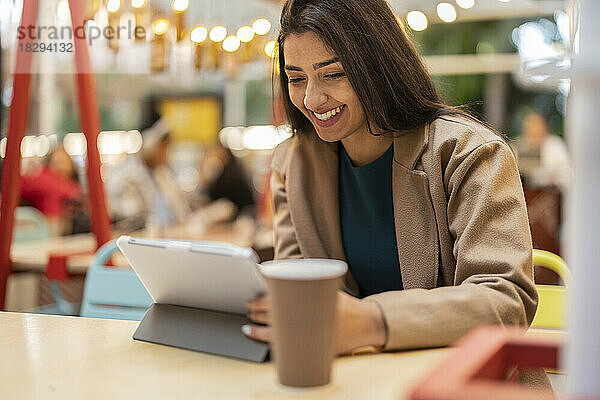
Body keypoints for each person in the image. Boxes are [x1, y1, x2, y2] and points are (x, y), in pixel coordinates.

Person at [244, 0, 537, 356]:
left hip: (455, 381)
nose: (312, 98)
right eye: (296, 78)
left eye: (333, 74)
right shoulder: (295, 162)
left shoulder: (469, 152)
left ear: (377, 65)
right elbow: (296, 287)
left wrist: (372, 321)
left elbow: (507, 301)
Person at [20, 145, 82, 236]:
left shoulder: (70, 183)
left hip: (66, 224)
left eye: (63, 161)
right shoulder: (45, 179)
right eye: (58, 162)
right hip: (49, 222)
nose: (60, 164)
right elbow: (23, 187)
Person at [514, 111, 570, 191]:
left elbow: (566, 174)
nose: (535, 129)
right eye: (531, 125)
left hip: (549, 196)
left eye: (537, 125)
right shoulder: (516, 147)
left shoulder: (556, 146)